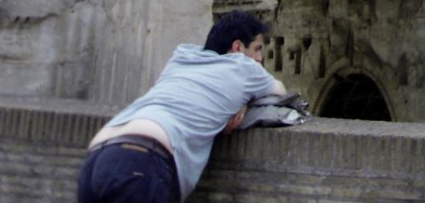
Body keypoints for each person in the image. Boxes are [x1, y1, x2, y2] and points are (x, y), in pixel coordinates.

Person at [77, 10, 286, 202]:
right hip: (143, 159)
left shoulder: (182, 57)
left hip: (98, 153)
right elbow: (279, 91)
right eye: (257, 49)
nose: (259, 58)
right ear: (237, 47)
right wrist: (246, 102)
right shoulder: (244, 66)